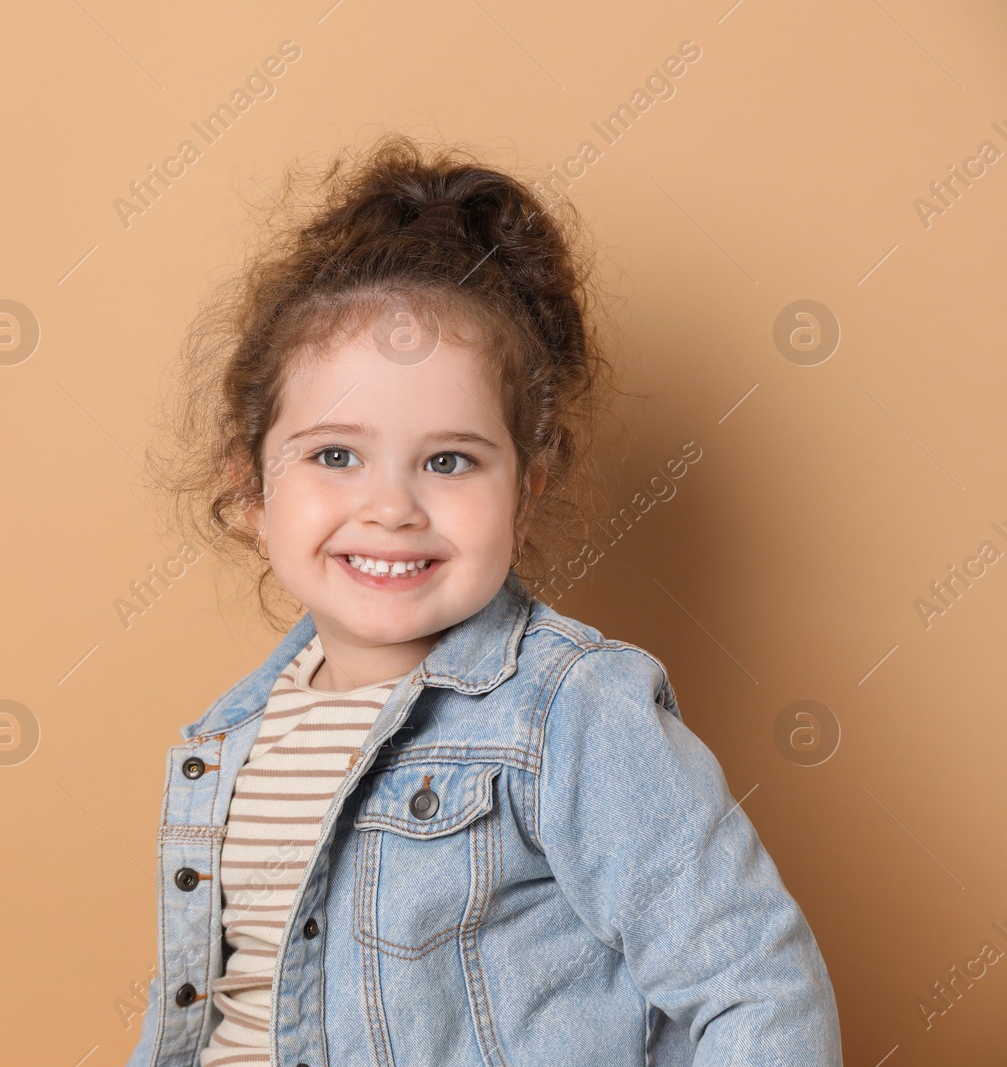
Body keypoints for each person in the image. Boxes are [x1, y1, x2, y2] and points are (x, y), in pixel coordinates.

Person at [126, 132, 841, 1066]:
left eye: (449, 459)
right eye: (335, 455)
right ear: (253, 491)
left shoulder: (571, 714)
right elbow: (207, 1017)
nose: (390, 507)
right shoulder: (228, 742)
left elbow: (757, 986)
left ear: (527, 489)